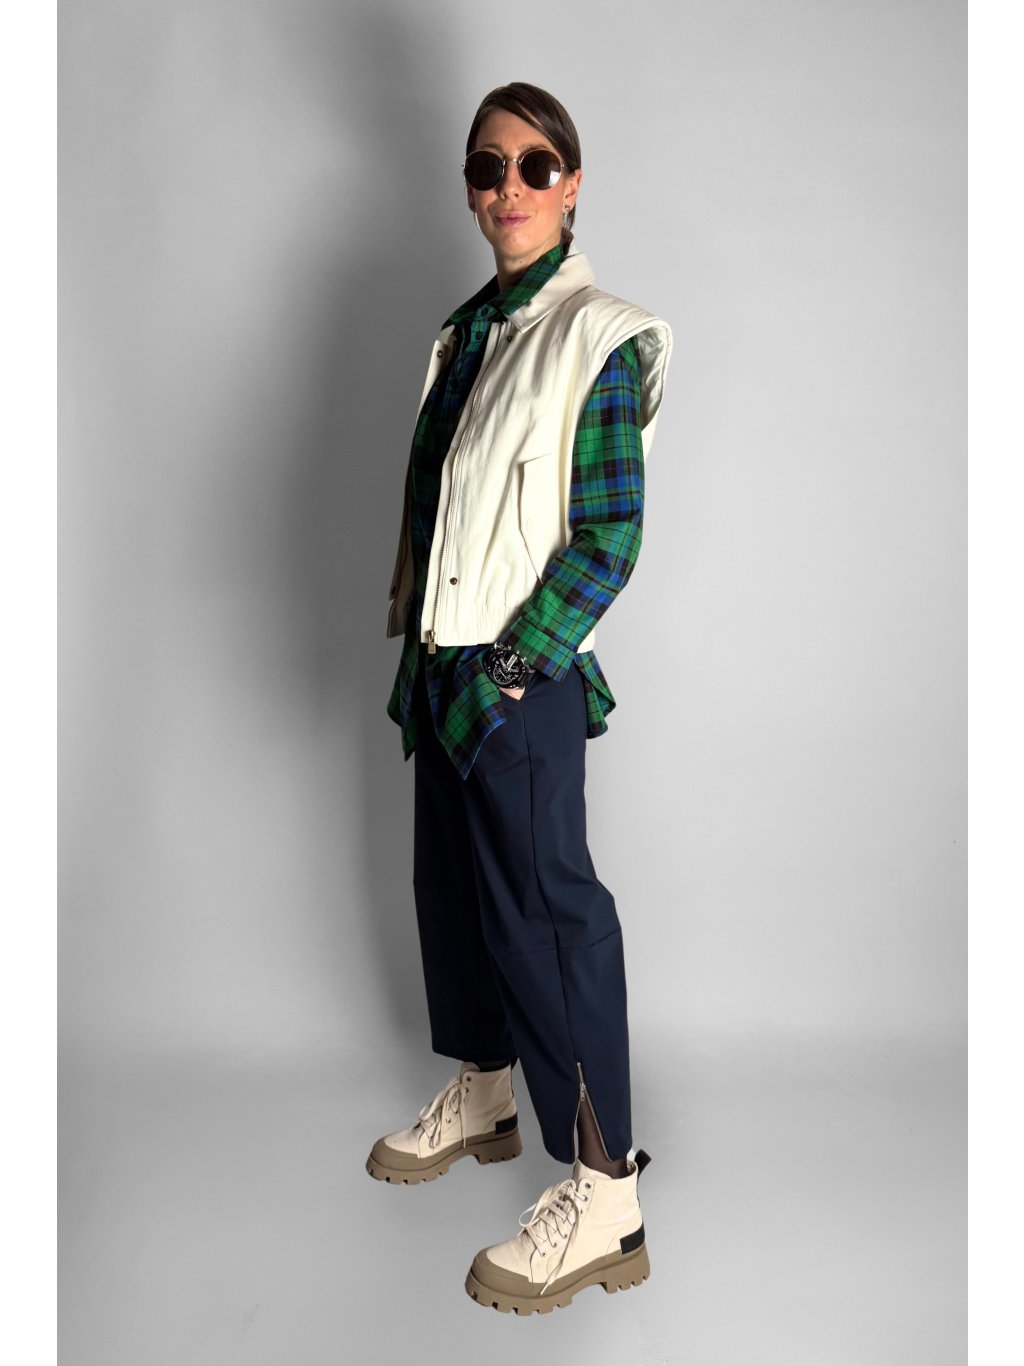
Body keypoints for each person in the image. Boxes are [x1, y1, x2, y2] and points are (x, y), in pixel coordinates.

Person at [367, 82, 673, 1315]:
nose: (508, 188)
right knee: (451, 890)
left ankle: (604, 1194)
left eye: (534, 165)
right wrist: (430, 653)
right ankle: (486, 1092)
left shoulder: (598, 335)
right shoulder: (466, 332)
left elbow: (607, 536)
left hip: (518, 676)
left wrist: (509, 667)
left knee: (548, 917)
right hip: (444, 661)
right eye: (486, 167)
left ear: (572, 182)